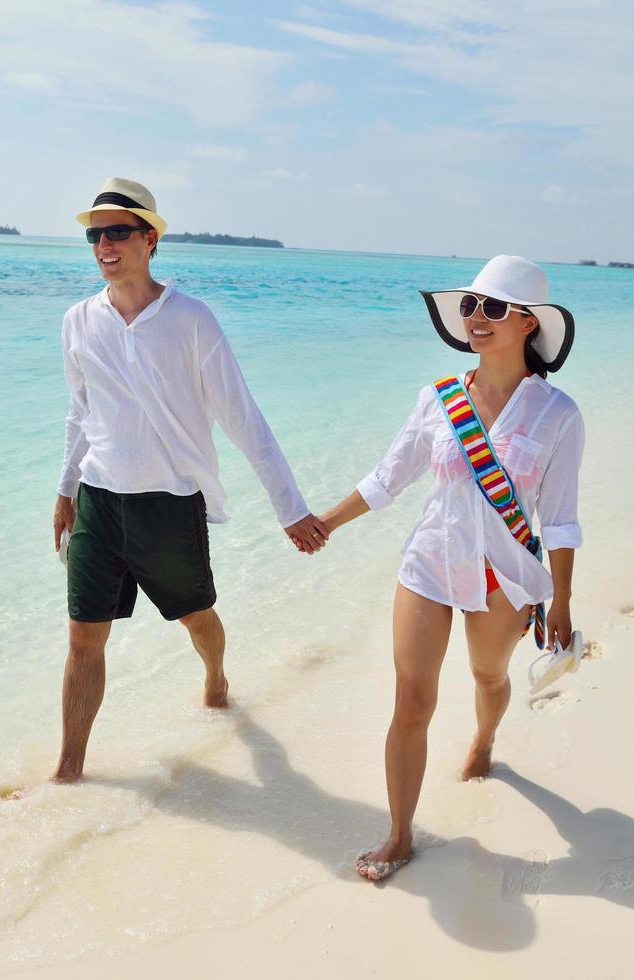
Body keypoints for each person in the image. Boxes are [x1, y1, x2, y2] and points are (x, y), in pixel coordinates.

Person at [46, 176, 329, 785]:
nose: (104, 245)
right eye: (95, 234)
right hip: (98, 500)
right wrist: (66, 490)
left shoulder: (192, 320)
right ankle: (69, 771)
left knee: (197, 617)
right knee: (82, 639)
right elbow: (79, 412)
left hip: (169, 505)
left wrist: (291, 508)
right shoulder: (77, 320)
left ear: (150, 239)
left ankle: (216, 679)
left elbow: (242, 417)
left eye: (117, 232)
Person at [315, 255, 584, 880]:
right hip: (430, 563)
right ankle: (399, 834)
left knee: (489, 678)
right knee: (412, 699)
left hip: (503, 576)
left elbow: (562, 520)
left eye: (492, 308)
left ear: (527, 325)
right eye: (470, 306)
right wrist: (325, 522)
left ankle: (486, 741)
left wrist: (563, 604)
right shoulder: (438, 399)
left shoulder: (557, 414)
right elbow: (388, 479)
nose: (476, 318)